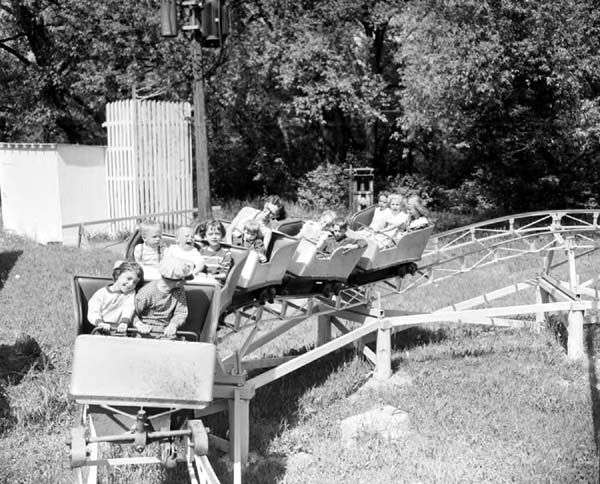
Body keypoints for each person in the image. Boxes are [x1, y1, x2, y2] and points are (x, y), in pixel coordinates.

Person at [133, 257, 193, 337]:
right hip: (146, 330)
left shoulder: (179, 290)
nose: (186, 282)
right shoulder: (147, 292)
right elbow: (132, 312)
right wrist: (139, 325)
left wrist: (173, 325)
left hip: (166, 330)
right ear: (178, 282)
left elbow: (181, 312)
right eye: (186, 280)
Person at [87, 260, 144, 334]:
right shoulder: (102, 294)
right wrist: (100, 322)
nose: (130, 284)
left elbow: (129, 308)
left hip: (120, 328)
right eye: (128, 279)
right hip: (102, 327)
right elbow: (93, 310)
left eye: (135, 282)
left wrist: (124, 322)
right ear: (118, 275)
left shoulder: (130, 294)